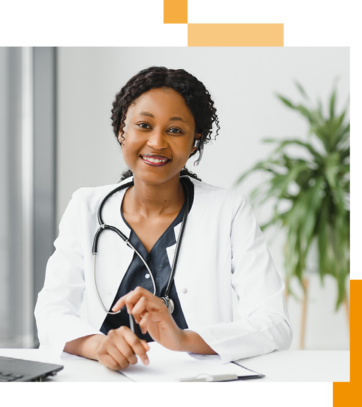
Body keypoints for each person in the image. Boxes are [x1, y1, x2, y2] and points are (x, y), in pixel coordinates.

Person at [35, 66, 292, 371]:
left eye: (174, 130)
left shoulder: (229, 211)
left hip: (198, 386)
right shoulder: (86, 207)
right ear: (122, 131)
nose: (157, 142)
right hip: (105, 381)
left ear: (195, 141)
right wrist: (99, 345)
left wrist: (184, 339)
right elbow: (51, 313)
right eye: (144, 125)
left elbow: (274, 324)